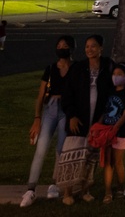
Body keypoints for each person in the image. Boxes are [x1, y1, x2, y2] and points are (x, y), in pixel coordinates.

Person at [60, 34, 115, 205]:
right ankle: (67, 193)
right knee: (71, 156)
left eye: (93, 46)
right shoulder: (78, 68)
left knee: (90, 157)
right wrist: (72, 116)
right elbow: (67, 94)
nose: (89, 49)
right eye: (87, 47)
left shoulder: (108, 66)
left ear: (101, 49)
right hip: (79, 119)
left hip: (97, 120)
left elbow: (119, 81)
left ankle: (85, 190)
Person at [21, 35, 75, 207]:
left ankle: (55, 185)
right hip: (51, 109)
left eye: (65, 45)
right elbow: (40, 95)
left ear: (72, 48)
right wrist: (37, 118)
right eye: (58, 45)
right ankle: (30, 189)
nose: (61, 48)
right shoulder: (51, 68)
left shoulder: (77, 68)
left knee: (60, 149)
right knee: (41, 148)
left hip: (66, 110)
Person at [91, 63, 125, 204]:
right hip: (107, 131)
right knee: (108, 161)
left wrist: (116, 127)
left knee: (118, 161)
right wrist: (99, 125)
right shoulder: (110, 92)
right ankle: (108, 191)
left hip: (120, 132)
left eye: (120, 74)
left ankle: (121, 187)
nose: (116, 77)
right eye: (114, 74)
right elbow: (106, 110)